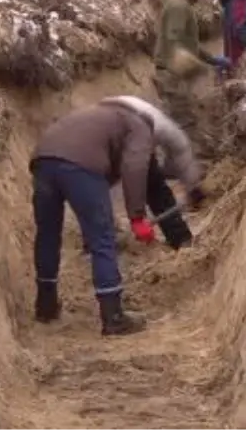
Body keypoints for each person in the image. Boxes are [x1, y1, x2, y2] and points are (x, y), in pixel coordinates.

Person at [30, 99, 162, 336]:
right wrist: (137, 218)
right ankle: (113, 317)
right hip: (80, 165)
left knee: (47, 234)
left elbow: (105, 174)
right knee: (104, 239)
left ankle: (45, 305)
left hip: (43, 159)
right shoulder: (140, 126)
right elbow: (134, 167)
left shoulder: (100, 116)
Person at [153, 0, 230, 155]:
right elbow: (173, 39)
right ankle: (181, 162)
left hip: (172, 71)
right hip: (171, 73)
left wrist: (211, 59)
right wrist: (190, 64)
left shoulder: (182, 5)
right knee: (182, 118)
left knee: (181, 115)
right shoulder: (178, 7)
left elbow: (189, 43)